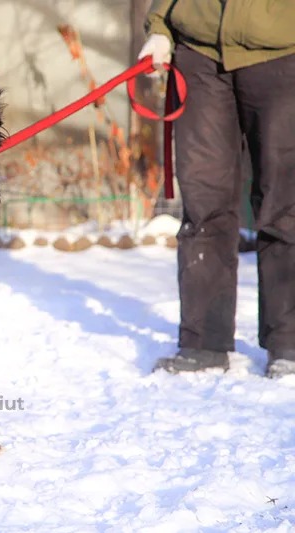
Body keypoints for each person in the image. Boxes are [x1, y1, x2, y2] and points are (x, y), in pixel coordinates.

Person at [138, 1, 295, 377]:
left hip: (282, 49)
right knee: (204, 199)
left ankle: (288, 340)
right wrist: (161, 25)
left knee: (285, 200)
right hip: (199, 50)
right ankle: (204, 342)